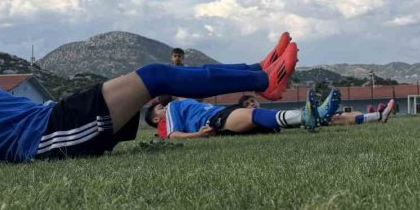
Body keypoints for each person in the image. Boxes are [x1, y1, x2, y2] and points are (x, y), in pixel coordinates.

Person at [0, 32, 298, 164]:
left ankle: (258, 69)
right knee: (155, 76)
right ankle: (262, 81)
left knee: (158, 74)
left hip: (51, 116)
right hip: (43, 137)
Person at [146, 87, 342, 138]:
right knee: (250, 114)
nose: (161, 105)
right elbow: (173, 136)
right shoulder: (171, 109)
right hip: (215, 120)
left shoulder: (181, 102)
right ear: (156, 118)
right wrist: (198, 135)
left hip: (223, 113)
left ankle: (318, 116)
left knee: (262, 118)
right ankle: (305, 116)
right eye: (158, 108)